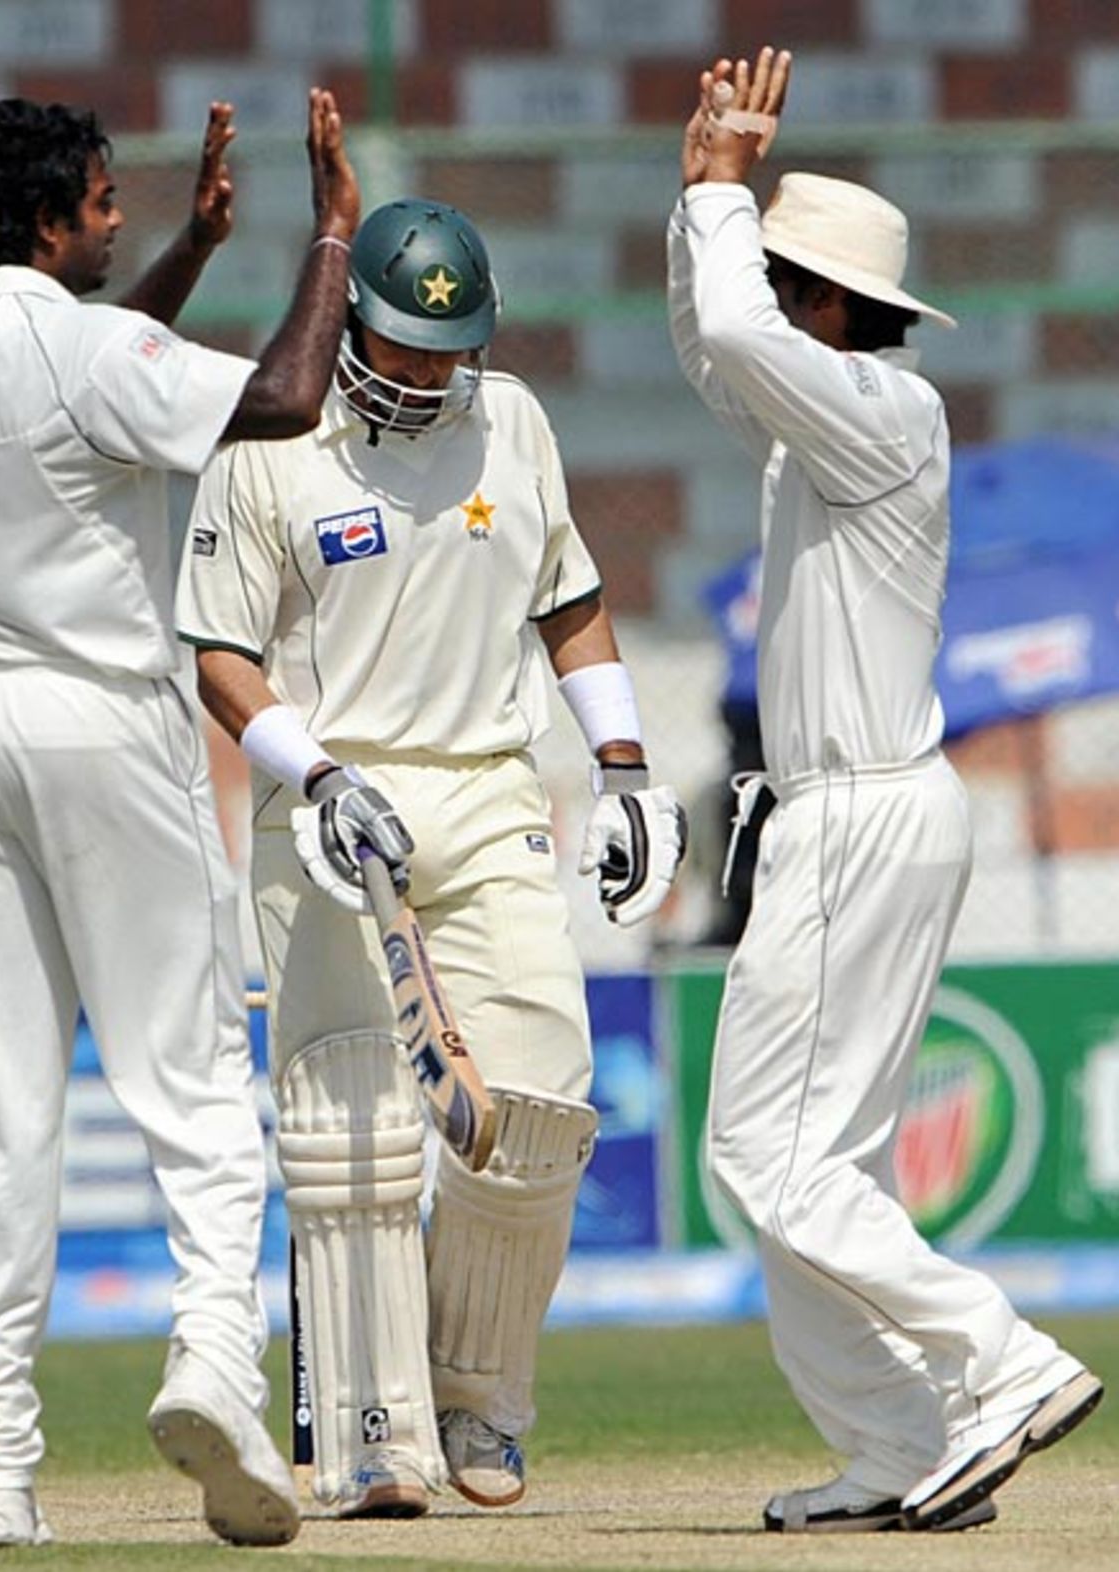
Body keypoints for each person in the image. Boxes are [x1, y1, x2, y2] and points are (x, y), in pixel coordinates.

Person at [0, 86, 360, 1549]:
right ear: (44, 221)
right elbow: (276, 401)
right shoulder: (86, 346)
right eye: (100, 204)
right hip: (104, 720)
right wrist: (327, 233)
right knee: (197, 1081)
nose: (119, 218)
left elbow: (96, 379)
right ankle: (212, 1356)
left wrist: (194, 256)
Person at [175, 197, 687, 1518]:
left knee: (539, 1115)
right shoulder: (274, 445)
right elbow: (219, 653)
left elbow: (567, 597)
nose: (425, 377)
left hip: (489, 793)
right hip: (332, 813)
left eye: (445, 354)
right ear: (351, 330)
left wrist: (624, 763)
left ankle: (478, 1403)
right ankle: (369, 1432)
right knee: (351, 1139)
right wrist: (320, 774)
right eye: (400, 349)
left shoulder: (512, 422)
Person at [666, 46, 1103, 1535]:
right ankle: (904, 1446)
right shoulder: (820, 426)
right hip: (851, 815)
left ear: (843, 311)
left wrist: (729, 203)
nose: (776, 301)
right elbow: (715, 335)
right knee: (812, 1166)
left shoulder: (878, 414)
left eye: (795, 282)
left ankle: (1002, 1361)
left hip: (858, 815)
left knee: (760, 1154)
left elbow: (737, 324)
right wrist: (698, 204)